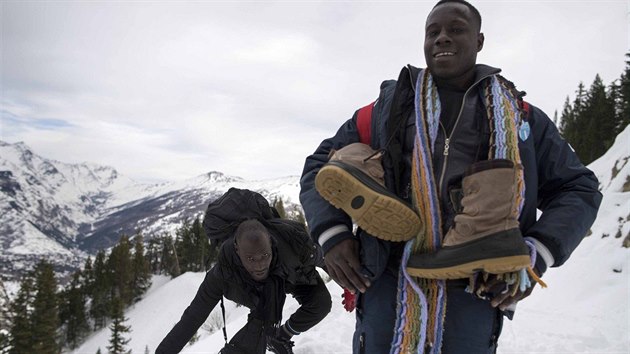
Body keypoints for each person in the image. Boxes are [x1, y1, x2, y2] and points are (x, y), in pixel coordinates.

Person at [299, 0, 602, 353]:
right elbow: (318, 166)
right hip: (388, 279)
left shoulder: (521, 119)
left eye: (456, 29)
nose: (442, 38)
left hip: (477, 286)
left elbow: (579, 189)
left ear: (479, 40)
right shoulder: (388, 108)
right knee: (342, 160)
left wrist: (537, 252)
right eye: (433, 32)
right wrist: (332, 234)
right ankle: (364, 168)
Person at [156, 219, 332, 354]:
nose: (260, 264)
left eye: (265, 255)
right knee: (260, 328)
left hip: (289, 275)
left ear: (271, 244)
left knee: (321, 304)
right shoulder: (222, 274)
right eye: (251, 258)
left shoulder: (295, 246)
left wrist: (349, 286)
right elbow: (193, 317)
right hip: (253, 291)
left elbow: (328, 260)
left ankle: (281, 337)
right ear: (237, 250)